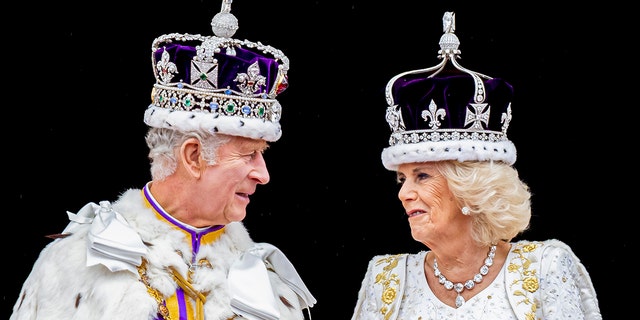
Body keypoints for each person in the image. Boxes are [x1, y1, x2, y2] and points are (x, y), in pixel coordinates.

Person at [10, 1, 316, 319]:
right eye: (248, 154)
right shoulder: (74, 264)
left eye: (261, 155)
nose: (263, 175)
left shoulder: (263, 283)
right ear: (193, 157)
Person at [351, 11, 601, 320]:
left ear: (471, 186)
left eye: (422, 175)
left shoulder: (543, 268)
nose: (404, 194)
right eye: (402, 179)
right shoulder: (384, 279)